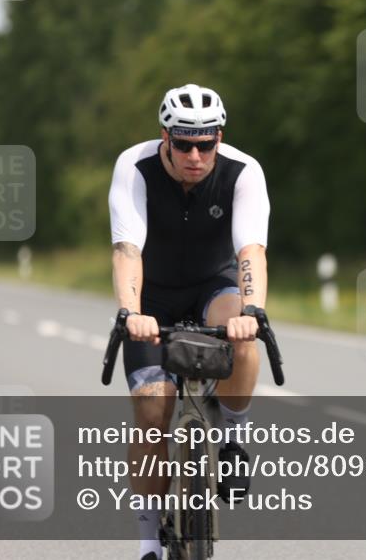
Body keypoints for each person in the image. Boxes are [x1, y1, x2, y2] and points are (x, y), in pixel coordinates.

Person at [108, 83, 271, 560]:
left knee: (243, 329)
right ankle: (147, 545)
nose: (195, 155)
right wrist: (131, 313)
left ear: (220, 137)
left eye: (206, 143)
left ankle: (234, 436)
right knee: (153, 413)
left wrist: (253, 311)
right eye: (183, 143)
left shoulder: (243, 172)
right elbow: (126, 250)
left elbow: (250, 251)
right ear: (166, 136)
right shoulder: (134, 166)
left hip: (211, 286)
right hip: (152, 295)